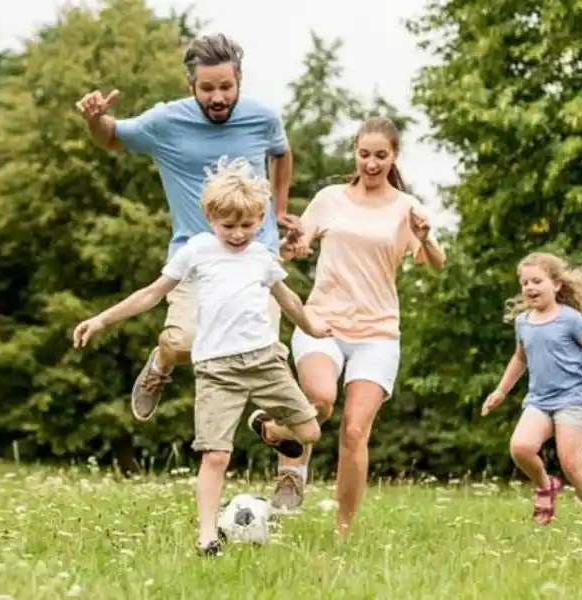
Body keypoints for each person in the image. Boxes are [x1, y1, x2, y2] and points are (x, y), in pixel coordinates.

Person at [72, 157, 329, 555]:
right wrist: (102, 320)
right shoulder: (198, 251)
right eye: (229, 226)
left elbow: (289, 299)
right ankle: (207, 536)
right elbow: (151, 294)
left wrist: (313, 328)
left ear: (261, 218)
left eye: (248, 225)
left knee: (310, 432)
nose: (239, 234)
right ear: (210, 217)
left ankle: (268, 428)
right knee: (216, 454)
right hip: (217, 370)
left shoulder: (263, 257)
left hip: (265, 362)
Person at [74, 33, 302, 422]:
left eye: (226, 87)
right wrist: (95, 119)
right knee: (184, 344)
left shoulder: (263, 117)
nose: (218, 98)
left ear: (239, 82)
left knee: (271, 359)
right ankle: (162, 362)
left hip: (256, 258)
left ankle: (288, 474)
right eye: (207, 88)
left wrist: (279, 210)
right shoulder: (165, 122)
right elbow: (110, 137)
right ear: (190, 85)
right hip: (193, 259)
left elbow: (281, 152)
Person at [275, 117, 446, 536]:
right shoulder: (330, 198)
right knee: (319, 398)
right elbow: (297, 245)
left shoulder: (407, 209)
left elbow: (439, 264)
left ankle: (343, 529)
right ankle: (288, 459)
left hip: (378, 334)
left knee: (355, 430)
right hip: (324, 322)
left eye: (380, 156)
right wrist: (293, 245)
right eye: (364, 154)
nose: (371, 163)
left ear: (394, 157)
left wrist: (423, 238)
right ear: (355, 151)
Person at [481, 252, 582, 528]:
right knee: (520, 447)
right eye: (525, 282)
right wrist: (501, 392)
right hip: (539, 400)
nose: (529, 287)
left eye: (537, 281)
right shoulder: (523, 322)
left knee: (572, 463)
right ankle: (545, 485)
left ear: (557, 285)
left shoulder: (571, 319)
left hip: (572, 398)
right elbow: (520, 358)